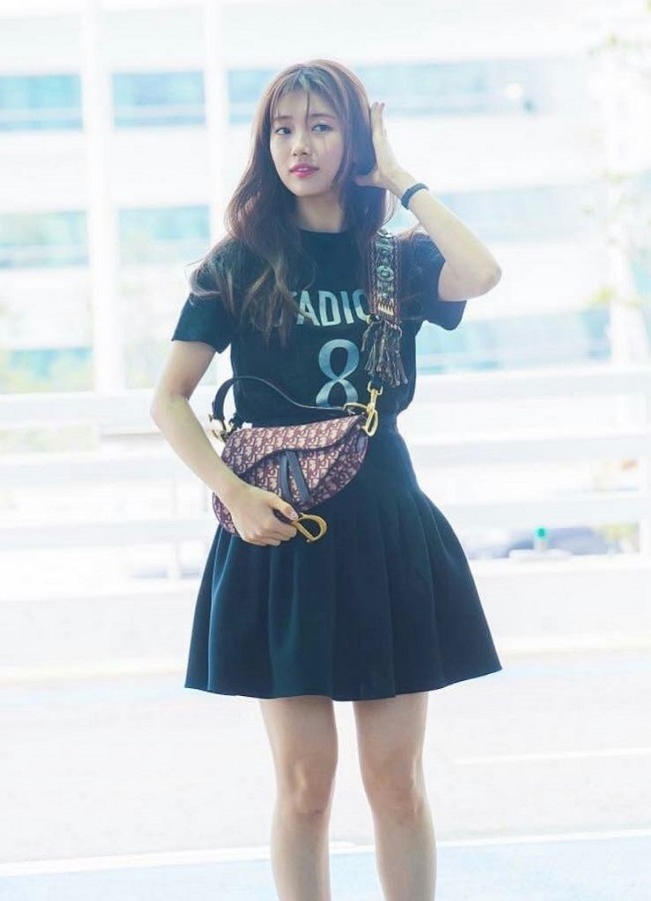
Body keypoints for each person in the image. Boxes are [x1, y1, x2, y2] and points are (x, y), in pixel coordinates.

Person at [150, 58, 502, 901]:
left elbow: (482, 272)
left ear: (355, 140)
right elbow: (169, 399)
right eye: (282, 129)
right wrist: (234, 494)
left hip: (385, 530)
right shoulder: (238, 264)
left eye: (320, 125)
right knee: (306, 786)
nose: (298, 145)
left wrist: (400, 178)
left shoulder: (396, 261)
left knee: (397, 783)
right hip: (280, 530)